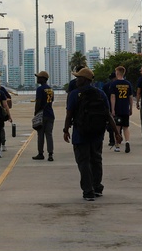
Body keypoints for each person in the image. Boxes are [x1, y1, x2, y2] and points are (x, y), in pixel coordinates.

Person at [63, 67, 122, 201]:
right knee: (96, 160)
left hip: (80, 133)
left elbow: (69, 114)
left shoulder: (74, 94)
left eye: (78, 78)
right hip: (97, 133)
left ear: (84, 80)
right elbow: (107, 115)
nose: (76, 80)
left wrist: (66, 130)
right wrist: (116, 132)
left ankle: (88, 191)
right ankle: (97, 187)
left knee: (83, 162)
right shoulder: (100, 94)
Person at [106, 66, 134, 152]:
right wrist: (130, 108)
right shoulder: (128, 84)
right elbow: (131, 97)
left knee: (117, 128)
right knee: (126, 127)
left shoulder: (114, 84)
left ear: (117, 73)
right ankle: (127, 142)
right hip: (125, 108)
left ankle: (117, 146)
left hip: (118, 109)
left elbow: (113, 97)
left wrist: (113, 109)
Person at [32, 70, 55, 161]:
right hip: (50, 114)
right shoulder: (50, 89)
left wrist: (36, 113)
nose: (37, 78)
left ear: (43, 79)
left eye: (38, 77)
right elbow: (51, 101)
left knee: (40, 135)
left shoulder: (40, 89)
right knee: (49, 134)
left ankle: (40, 153)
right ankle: (50, 154)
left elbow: (38, 102)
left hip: (42, 114)